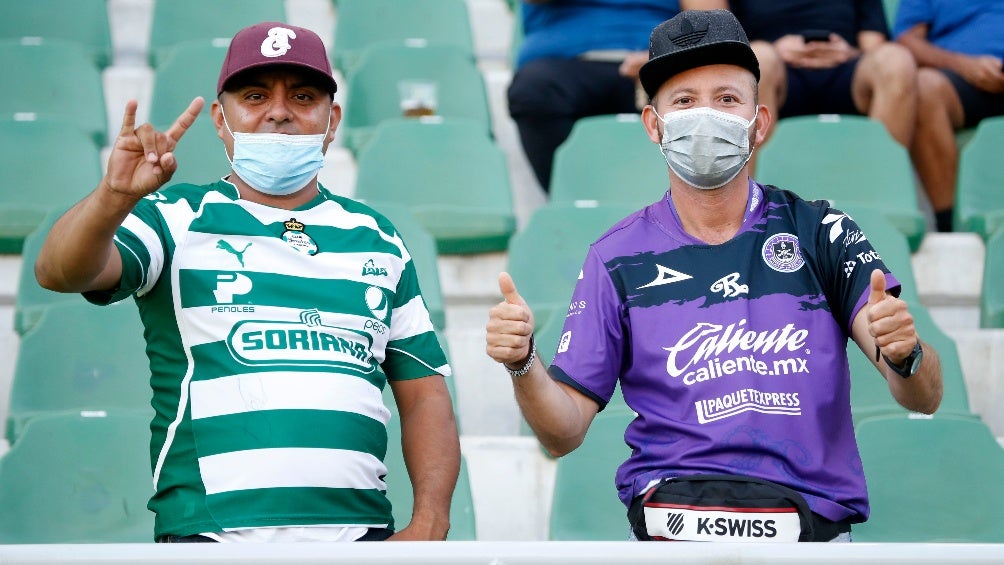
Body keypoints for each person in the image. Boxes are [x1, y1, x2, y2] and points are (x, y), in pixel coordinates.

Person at [486, 9, 943, 542]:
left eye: (727, 99)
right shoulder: (616, 258)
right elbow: (561, 433)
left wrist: (906, 353)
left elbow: (923, 396)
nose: (706, 115)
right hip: (672, 531)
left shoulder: (822, 231)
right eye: (684, 101)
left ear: (760, 122)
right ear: (654, 125)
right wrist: (522, 364)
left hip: (811, 535)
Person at [34, 22, 460, 543]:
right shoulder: (173, 216)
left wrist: (430, 524)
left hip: (362, 540)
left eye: (303, 97)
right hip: (213, 539)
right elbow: (58, 272)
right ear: (221, 119)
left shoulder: (377, 237)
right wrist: (113, 197)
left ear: (333, 122)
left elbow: (424, 395)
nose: (278, 112)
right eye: (255, 95)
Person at [507, 0, 690, 191]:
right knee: (535, 91)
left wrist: (667, 55)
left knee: (701, 94)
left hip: (662, 59)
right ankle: (576, 204)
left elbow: (708, 22)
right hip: (563, 62)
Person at [690, 0, 918, 148]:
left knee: (896, 60)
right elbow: (716, 39)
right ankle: (749, 207)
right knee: (759, 59)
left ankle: (881, 191)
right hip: (773, 71)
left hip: (847, 69)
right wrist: (777, 48)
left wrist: (848, 51)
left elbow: (873, 43)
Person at [893, 0, 1004, 232]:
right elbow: (907, 40)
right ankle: (952, 225)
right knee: (923, 88)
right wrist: (964, 65)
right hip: (964, 77)